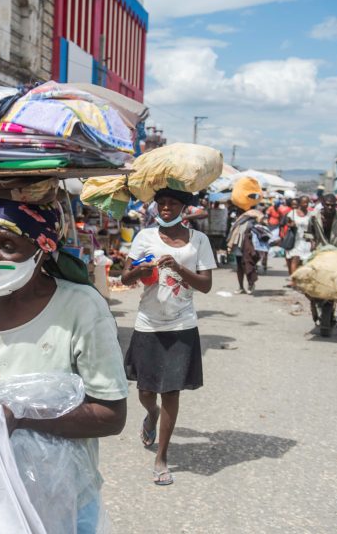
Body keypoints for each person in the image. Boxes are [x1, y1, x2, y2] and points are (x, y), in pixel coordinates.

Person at [0, 197, 128, 530]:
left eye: (7, 245)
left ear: (41, 249)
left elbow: (111, 415)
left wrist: (21, 416)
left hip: (56, 498)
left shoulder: (81, 308)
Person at [121, 188, 215, 486]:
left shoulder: (198, 240)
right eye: (161, 203)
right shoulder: (143, 237)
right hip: (148, 322)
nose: (165, 208)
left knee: (171, 390)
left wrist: (178, 267)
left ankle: (161, 457)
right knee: (147, 391)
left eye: (172, 203)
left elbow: (205, 285)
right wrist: (140, 270)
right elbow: (124, 277)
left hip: (182, 324)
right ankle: (151, 415)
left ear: (184, 207)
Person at [227, 207, 265, 294]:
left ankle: (250, 284)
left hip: (250, 246)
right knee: (240, 266)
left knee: (248, 264)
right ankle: (241, 287)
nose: (240, 213)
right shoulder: (238, 221)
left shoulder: (254, 219)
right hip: (238, 245)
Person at [284, 196, 313, 282]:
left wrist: (312, 241)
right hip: (295, 239)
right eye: (304, 202)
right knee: (295, 259)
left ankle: (302, 280)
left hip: (306, 240)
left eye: (307, 202)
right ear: (300, 203)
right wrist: (291, 225)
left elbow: (311, 229)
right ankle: (293, 281)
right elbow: (287, 223)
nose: (306, 204)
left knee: (304, 261)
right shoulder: (292, 213)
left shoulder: (310, 214)